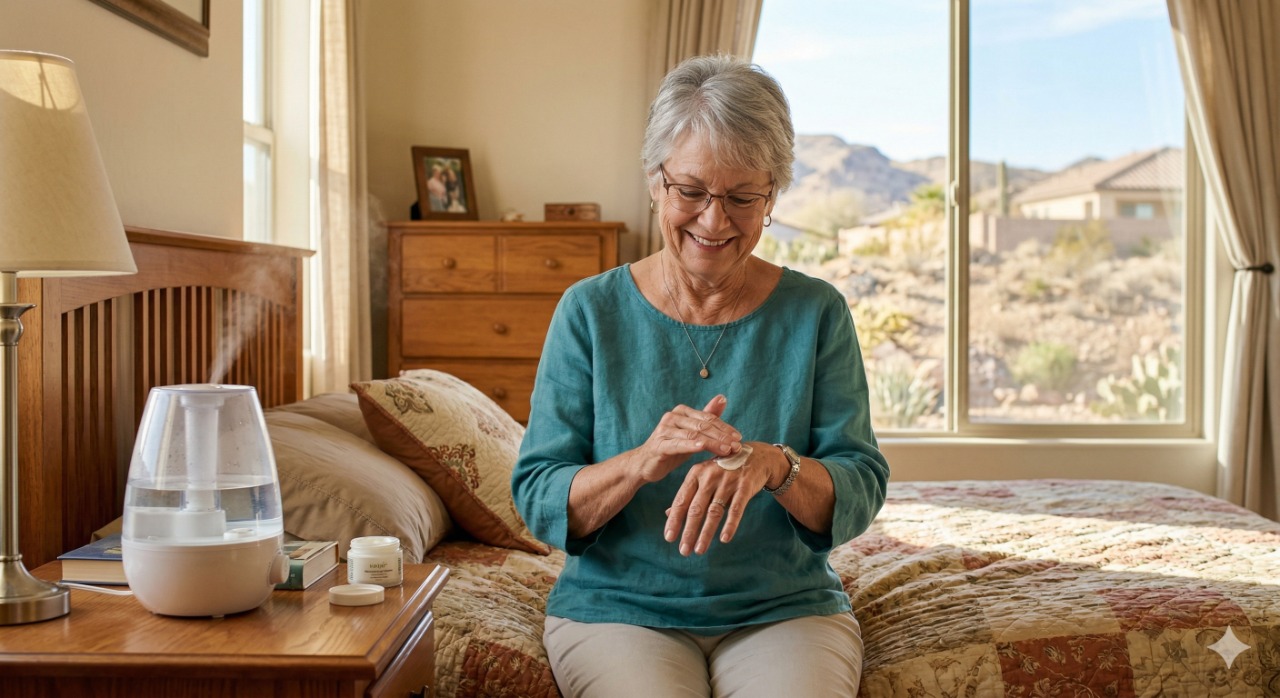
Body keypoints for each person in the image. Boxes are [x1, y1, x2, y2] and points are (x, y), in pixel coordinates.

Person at [511, 54, 889, 697]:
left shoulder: (816, 311)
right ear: (656, 183)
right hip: (617, 611)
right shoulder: (590, 311)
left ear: (772, 197)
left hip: (784, 607)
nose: (714, 222)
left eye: (743, 198)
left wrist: (775, 465)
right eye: (691, 192)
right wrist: (641, 462)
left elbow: (859, 483)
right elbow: (539, 495)